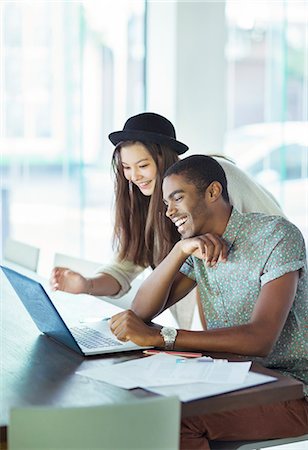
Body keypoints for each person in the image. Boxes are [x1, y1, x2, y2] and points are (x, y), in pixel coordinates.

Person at [109, 155, 308, 449]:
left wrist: (163, 338)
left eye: (177, 198)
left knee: (171, 421)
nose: (169, 212)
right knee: (140, 404)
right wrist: (178, 251)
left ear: (213, 192)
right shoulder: (201, 246)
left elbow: (261, 339)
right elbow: (140, 312)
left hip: (291, 389)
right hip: (233, 380)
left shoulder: (275, 235)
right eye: (166, 204)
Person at [50, 112, 285, 328]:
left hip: (257, 313)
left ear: (164, 159)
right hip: (200, 333)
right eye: (126, 168)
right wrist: (86, 285)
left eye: (143, 166)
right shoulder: (145, 205)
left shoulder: (214, 174)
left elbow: (277, 228)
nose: (134, 176)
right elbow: (124, 269)